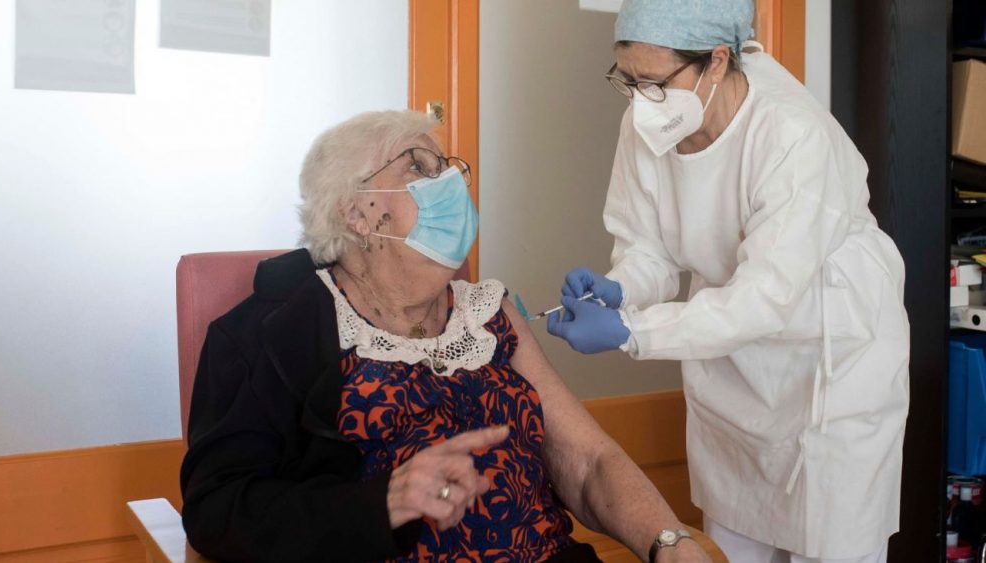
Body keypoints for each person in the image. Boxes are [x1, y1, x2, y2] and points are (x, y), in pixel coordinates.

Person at [180, 110, 714, 562]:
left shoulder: (486, 313)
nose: (452, 181)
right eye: (420, 166)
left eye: (448, 166)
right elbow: (218, 509)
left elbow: (590, 462)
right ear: (357, 212)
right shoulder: (271, 330)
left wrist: (669, 543)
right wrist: (383, 503)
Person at [546, 1, 910, 562]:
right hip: (732, 376)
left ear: (718, 60)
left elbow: (761, 300)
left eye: (654, 81)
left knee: (832, 546)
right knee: (734, 543)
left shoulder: (791, 133)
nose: (641, 100)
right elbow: (651, 248)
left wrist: (631, 331)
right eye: (628, 81)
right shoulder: (652, 118)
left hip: (831, 372)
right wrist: (623, 287)